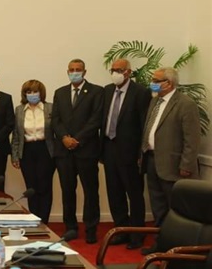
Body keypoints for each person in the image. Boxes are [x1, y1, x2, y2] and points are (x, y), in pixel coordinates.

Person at [140, 67, 201, 254]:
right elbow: (150, 130)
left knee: (175, 210)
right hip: (152, 160)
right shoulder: (154, 101)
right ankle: (161, 244)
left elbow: (192, 138)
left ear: (169, 83)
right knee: (158, 207)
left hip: (174, 166)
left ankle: (178, 248)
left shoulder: (185, 104)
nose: (152, 83)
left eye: (156, 80)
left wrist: (186, 164)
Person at [51, 59, 103, 243]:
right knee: (67, 191)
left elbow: (96, 119)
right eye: (71, 70)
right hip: (64, 151)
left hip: (86, 150)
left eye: (78, 70)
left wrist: (78, 139)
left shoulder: (96, 91)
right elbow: (55, 119)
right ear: (67, 71)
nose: (74, 72)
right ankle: (70, 227)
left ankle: (91, 228)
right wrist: (64, 137)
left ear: (85, 72)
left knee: (91, 191)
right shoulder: (60, 92)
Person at [101, 59, 151, 250]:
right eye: (112, 70)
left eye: (119, 70)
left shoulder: (140, 92)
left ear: (128, 72)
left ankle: (137, 234)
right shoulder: (107, 90)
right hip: (109, 148)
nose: (115, 73)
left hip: (130, 152)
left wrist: (140, 153)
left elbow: (144, 124)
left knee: (134, 194)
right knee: (115, 193)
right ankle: (121, 230)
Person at [10, 80, 55, 225]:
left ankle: (44, 222)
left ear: (41, 93)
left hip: (45, 150)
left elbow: (56, 131)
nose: (32, 94)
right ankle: (34, 221)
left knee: (45, 187)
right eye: (29, 92)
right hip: (27, 151)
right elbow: (16, 135)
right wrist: (15, 156)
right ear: (24, 94)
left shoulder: (50, 108)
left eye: (35, 91)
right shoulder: (19, 110)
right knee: (31, 188)